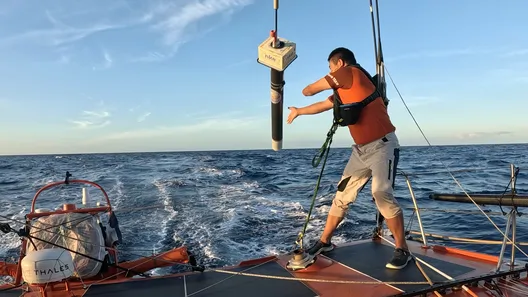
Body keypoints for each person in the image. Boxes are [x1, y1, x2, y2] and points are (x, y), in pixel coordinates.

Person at [286, 47, 411, 270]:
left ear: (339, 64)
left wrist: (308, 89)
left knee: (381, 193)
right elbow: (322, 105)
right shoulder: (346, 89)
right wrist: (298, 111)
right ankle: (325, 241)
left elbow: (308, 91)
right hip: (360, 151)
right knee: (342, 195)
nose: (330, 72)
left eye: (330, 68)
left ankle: (402, 249)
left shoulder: (349, 72)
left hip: (383, 145)